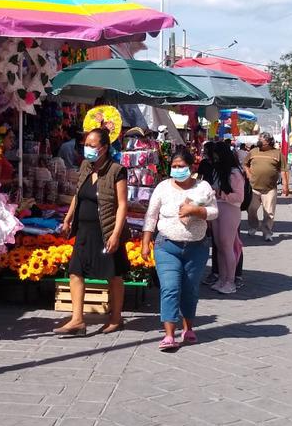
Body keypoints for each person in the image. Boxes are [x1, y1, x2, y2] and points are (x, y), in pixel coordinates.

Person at [55, 128, 130, 336]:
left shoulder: (117, 170)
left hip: (105, 229)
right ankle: (77, 320)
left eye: (92, 145)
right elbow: (78, 195)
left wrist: (115, 234)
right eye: (86, 144)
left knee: (113, 275)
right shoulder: (85, 166)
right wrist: (68, 218)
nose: (87, 148)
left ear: (104, 148)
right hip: (85, 230)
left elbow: (122, 205)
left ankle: (116, 318)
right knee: (75, 271)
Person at [142, 149, 218, 351]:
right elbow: (151, 215)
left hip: (197, 247)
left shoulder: (203, 187)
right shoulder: (162, 188)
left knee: (190, 289)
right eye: (174, 167)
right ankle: (169, 335)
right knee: (170, 288)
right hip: (166, 246)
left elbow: (214, 212)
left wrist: (196, 210)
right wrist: (145, 242)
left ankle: (188, 328)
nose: (177, 170)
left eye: (181, 166)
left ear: (191, 167)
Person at [209, 143, 245, 294]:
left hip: (230, 209)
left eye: (216, 154)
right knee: (219, 245)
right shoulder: (217, 171)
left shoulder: (235, 173)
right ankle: (222, 279)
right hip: (217, 208)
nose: (214, 157)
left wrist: (222, 194)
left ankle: (230, 280)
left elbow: (239, 197)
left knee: (227, 245)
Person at [245, 132, 289, 241]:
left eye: (261, 140)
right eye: (259, 139)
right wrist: (249, 174)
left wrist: (285, 185)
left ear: (269, 141)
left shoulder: (277, 154)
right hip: (253, 187)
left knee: (269, 212)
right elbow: (245, 164)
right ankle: (253, 226)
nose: (259, 142)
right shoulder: (253, 152)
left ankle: (267, 232)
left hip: (270, 189)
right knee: (251, 209)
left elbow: (284, 170)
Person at [0, 126, 16, 191]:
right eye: (10, 138)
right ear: (2, 139)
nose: (12, 141)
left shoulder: (1, 155)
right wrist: (14, 181)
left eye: (13, 138)